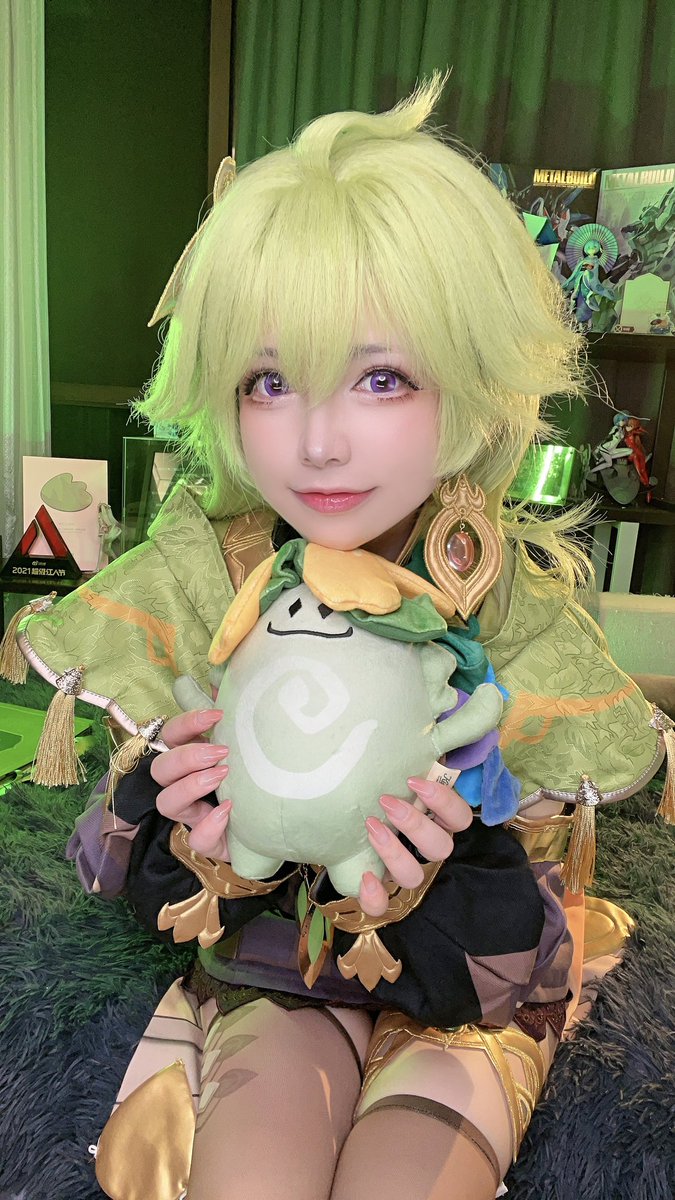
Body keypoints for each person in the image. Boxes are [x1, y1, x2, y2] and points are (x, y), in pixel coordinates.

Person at [10, 74, 669, 1200]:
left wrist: (457, 865)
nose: (318, 440)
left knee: (408, 1173)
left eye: (381, 377)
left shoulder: (508, 608)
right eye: (270, 379)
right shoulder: (211, 573)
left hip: (463, 999)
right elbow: (113, 865)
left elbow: (518, 963)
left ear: (470, 384)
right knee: (254, 1167)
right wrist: (178, 820)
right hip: (281, 976)